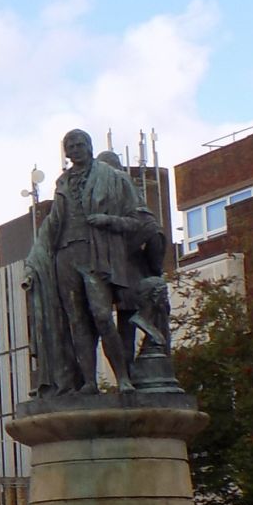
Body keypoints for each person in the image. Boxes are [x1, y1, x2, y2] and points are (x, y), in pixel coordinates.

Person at [23, 130, 160, 396]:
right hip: (65, 256)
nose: (75, 149)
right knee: (77, 322)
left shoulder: (114, 178)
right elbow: (52, 226)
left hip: (96, 255)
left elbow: (141, 222)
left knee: (101, 315)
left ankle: (122, 378)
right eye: (70, 146)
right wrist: (34, 262)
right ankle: (89, 382)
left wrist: (109, 221)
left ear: (89, 146)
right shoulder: (62, 182)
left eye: (79, 144)